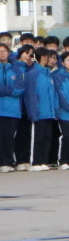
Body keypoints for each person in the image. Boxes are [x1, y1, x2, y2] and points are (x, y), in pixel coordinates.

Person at [0, 43, 22, 171]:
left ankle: (8, 162)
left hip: (12, 110)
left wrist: (7, 91)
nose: (2, 53)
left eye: (4, 51)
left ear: (9, 53)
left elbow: (20, 88)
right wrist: (8, 90)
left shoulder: (15, 69)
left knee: (9, 137)